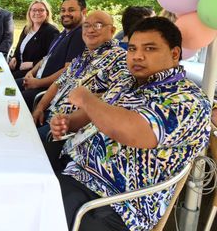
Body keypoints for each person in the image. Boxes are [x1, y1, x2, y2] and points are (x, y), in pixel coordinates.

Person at [49, 17, 211, 231]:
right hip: (74, 168)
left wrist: (86, 98)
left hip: (116, 203)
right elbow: (96, 113)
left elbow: (134, 131)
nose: (137, 56)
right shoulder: (127, 82)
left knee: (25, 208)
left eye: (150, 48)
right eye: (132, 48)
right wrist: (68, 122)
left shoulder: (188, 100)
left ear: (174, 54)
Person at [33, 11, 128, 141]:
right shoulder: (83, 56)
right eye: (86, 25)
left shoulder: (120, 58)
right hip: (49, 113)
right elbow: (58, 83)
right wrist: (40, 107)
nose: (90, 30)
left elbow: (115, 97)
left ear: (112, 30)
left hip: (66, 129)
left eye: (98, 25)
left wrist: (70, 119)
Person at [16, 0, 87, 110]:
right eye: (63, 10)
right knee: (6, 86)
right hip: (36, 79)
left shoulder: (80, 34)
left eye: (71, 10)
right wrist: (31, 72)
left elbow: (68, 71)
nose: (66, 13)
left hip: (46, 90)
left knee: (11, 101)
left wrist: (38, 83)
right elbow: (47, 57)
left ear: (84, 12)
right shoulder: (64, 33)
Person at [8, 0, 59, 79]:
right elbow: (18, 48)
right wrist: (14, 57)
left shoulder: (51, 32)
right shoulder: (27, 28)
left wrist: (33, 64)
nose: (37, 13)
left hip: (33, 73)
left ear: (47, 13)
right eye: (34, 10)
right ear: (29, 12)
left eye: (41, 10)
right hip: (17, 68)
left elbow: (52, 58)